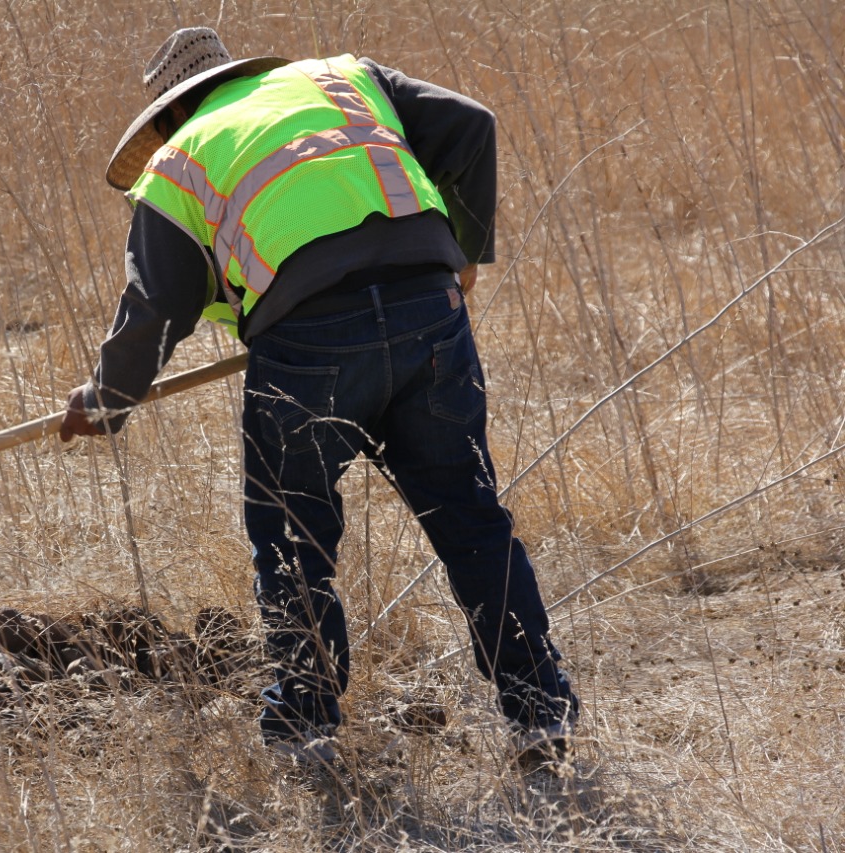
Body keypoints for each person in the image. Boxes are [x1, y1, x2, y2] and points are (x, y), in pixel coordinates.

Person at [60, 27, 579, 770]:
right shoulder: (346, 80)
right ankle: (541, 716)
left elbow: (157, 306)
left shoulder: (179, 161)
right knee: (470, 517)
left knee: (294, 539)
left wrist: (106, 398)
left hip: (309, 342)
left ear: (171, 113)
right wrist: (463, 254)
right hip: (431, 311)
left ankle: (306, 729)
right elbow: (472, 125)